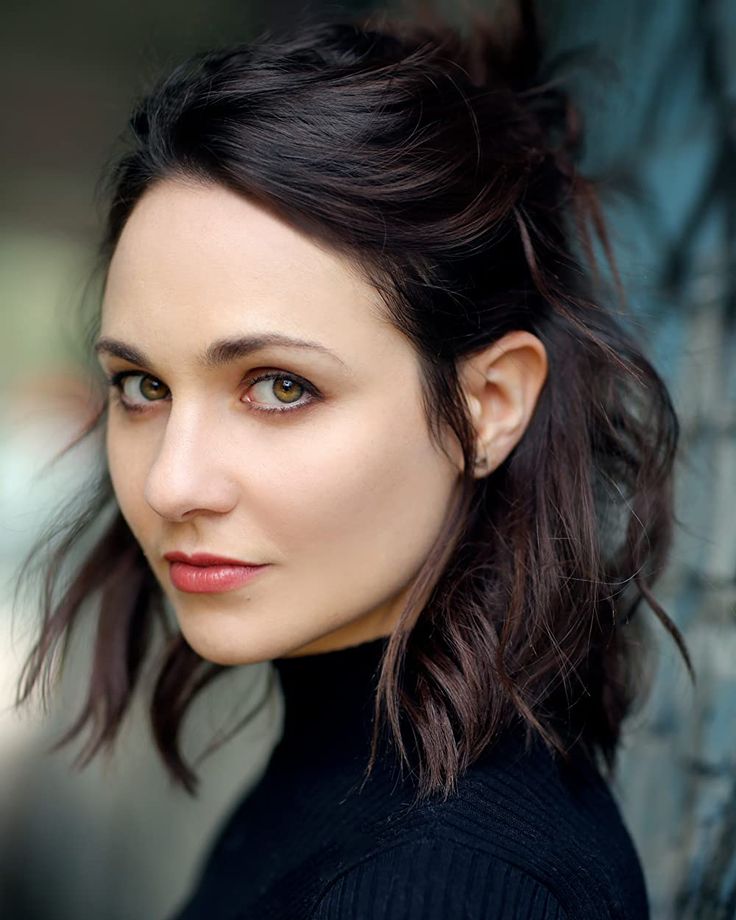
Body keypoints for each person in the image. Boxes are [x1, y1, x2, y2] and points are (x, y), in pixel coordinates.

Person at [15, 2, 694, 917]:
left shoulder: (446, 881)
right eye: (143, 386)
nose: (171, 481)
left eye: (280, 387)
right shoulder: (357, 791)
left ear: (489, 406)